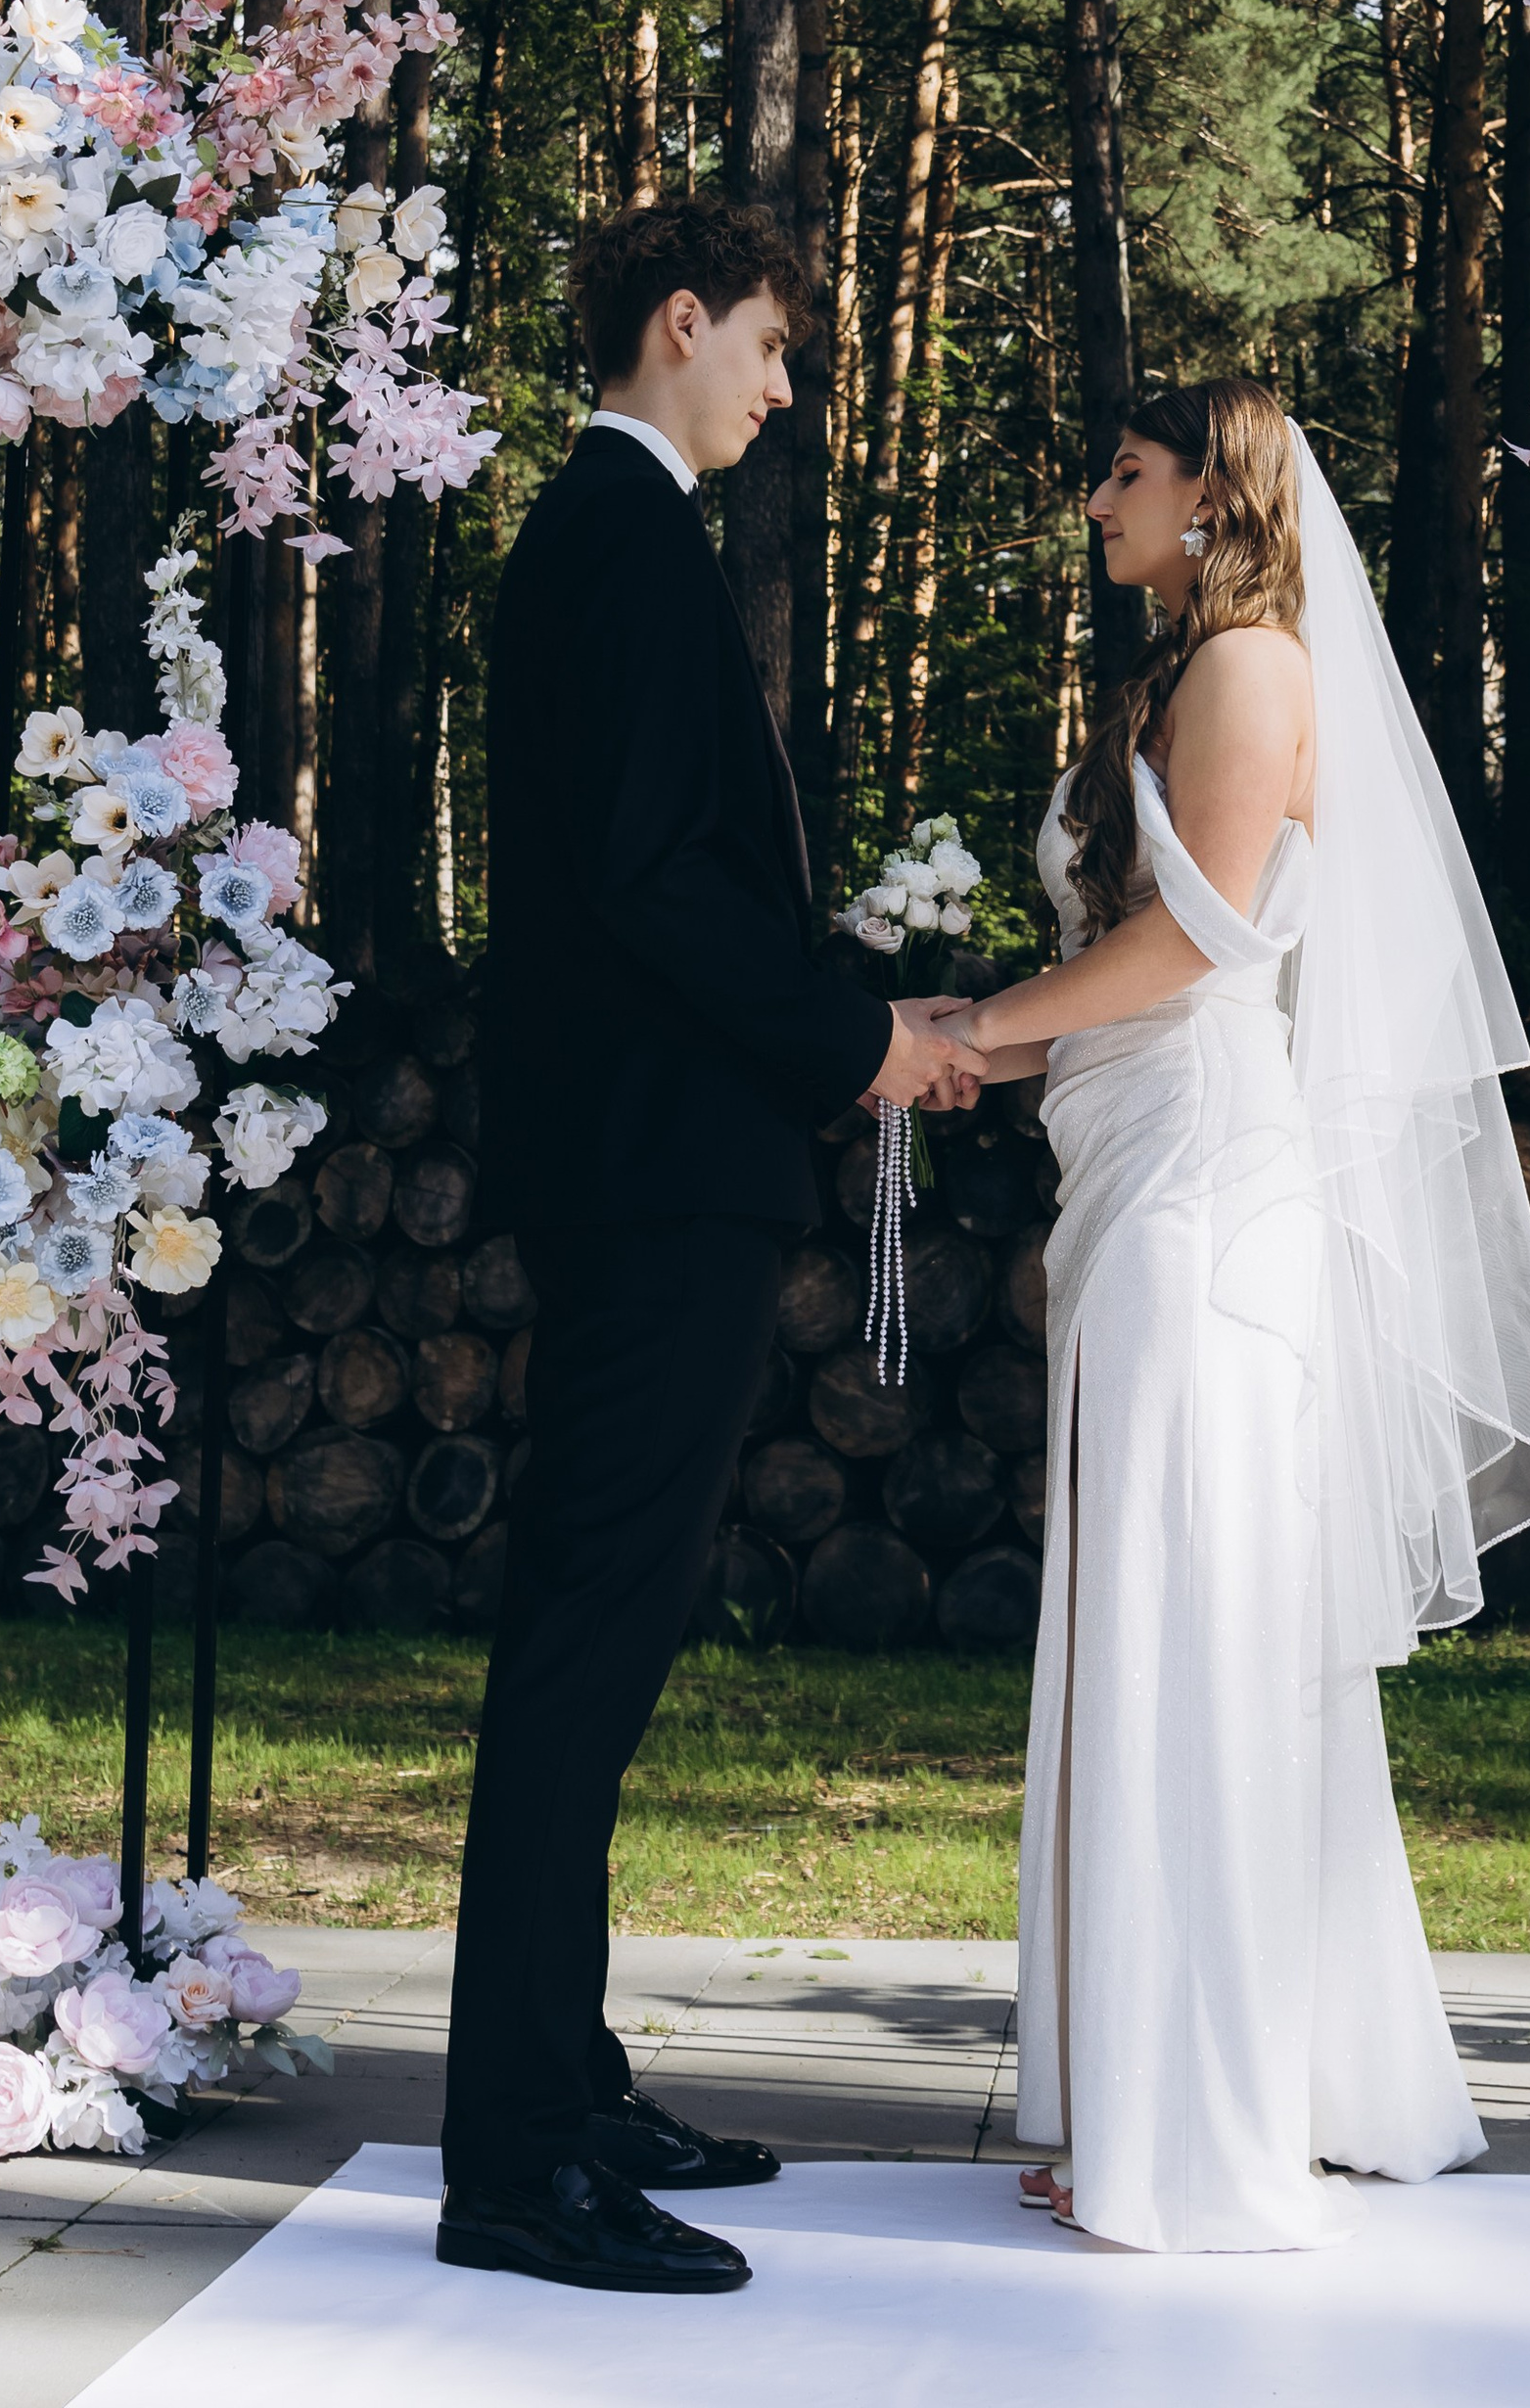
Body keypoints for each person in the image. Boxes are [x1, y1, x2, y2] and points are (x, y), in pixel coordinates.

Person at [931, 377, 1530, 2251]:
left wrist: (981, 1025)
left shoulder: (1246, 670)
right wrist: (979, 1035)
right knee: (1158, 1619)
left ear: (1213, 495)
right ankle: (1186, 2081)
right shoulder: (1181, 673)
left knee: (1191, 1623)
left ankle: (1194, 2131)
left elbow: (1204, 937)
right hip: (1136, 1168)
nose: (1096, 503)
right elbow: (1134, 951)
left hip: (1205, 1198)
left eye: (1123, 474)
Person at [439, 196, 982, 2298]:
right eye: (769, 347)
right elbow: (656, 885)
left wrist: (857, 1009)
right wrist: (854, 1042)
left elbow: (676, 882)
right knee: (589, 1632)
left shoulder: (613, 536)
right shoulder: (622, 539)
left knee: (612, 1619)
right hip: (653, 1167)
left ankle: (565, 2088)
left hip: (654, 1153)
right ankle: (514, 2161)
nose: (782, 391)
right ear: (682, 322)